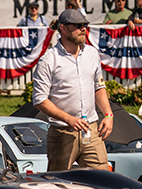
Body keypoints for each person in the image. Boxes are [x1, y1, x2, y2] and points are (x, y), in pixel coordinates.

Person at [30, 9, 113, 171]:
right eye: (78, 25)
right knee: (57, 184)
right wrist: (69, 119)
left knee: (104, 180)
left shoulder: (91, 53)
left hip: (91, 130)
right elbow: (40, 100)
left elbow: (99, 87)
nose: (83, 29)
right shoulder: (48, 60)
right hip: (62, 133)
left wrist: (108, 114)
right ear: (63, 28)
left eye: (85, 25)